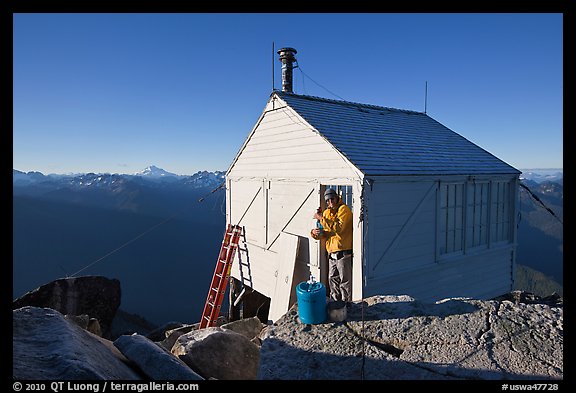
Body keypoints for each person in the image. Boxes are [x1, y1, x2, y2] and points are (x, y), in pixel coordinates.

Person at [310, 188, 353, 305]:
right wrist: (314, 233)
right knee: (332, 281)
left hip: (343, 253)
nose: (330, 202)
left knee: (344, 282)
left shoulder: (344, 210)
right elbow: (326, 233)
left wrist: (321, 218)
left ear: (337, 197)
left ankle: (347, 306)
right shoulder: (326, 213)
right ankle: (335, 305)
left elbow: (339, 228)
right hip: (331, 254)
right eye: (327, 200)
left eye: (332, 199)